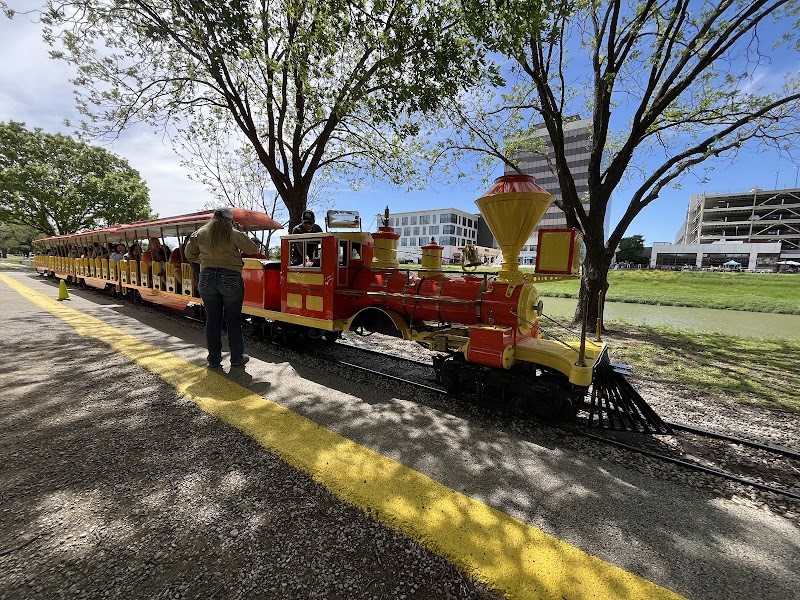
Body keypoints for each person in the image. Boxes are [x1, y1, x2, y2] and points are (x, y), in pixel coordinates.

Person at [185, 207, 258, 368]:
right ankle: (237, 357)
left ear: (213, 218)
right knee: (233, 319)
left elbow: (189, 254)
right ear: (229, 220)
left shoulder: (200, 233)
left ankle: (214, 359)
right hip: (230, 277)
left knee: (212, 320)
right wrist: (240, 231)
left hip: (207, 277)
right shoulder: (233, 233)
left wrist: (205, 261)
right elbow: (253, 249)